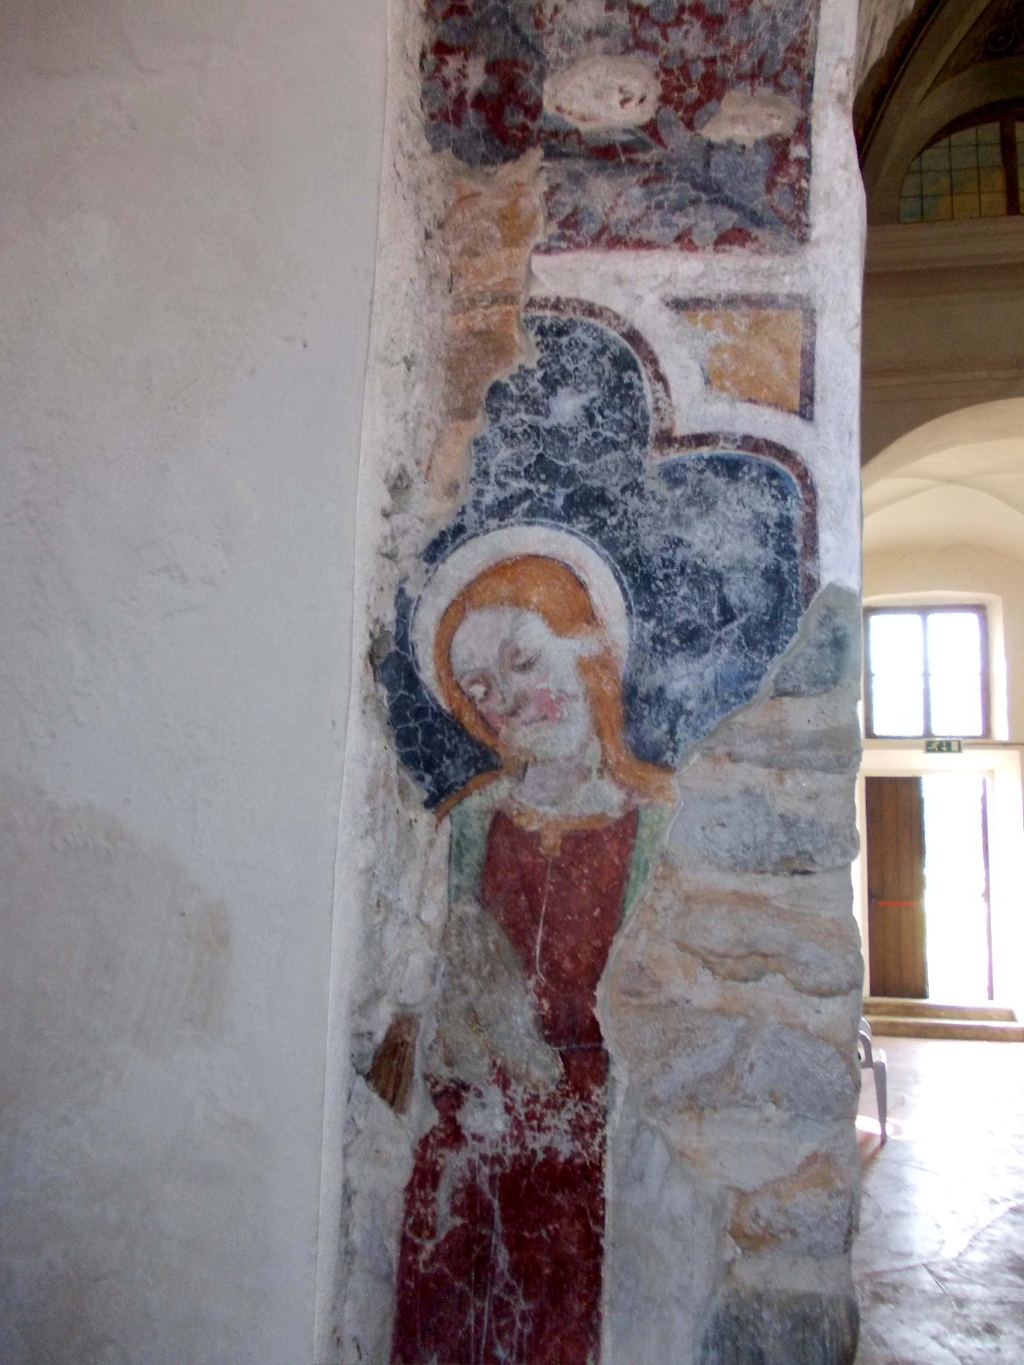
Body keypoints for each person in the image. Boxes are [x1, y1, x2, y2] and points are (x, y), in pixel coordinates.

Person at [390, 548, 674, 1365]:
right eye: (479, 687)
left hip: (596, 1167)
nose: (505, 699)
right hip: (468, 1167)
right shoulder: (468, 826)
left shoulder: (655, 826)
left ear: (592, 653)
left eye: (522, 662)